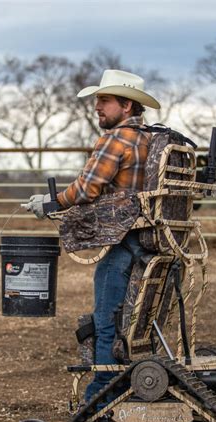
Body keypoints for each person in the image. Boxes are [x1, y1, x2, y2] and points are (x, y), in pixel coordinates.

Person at [27, 69, 161, 403]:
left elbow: (87, 188)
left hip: (123, 242)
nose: (97, 107)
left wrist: (51, 202)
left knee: (106, 321)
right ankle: (127, 387)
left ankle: (99, 399)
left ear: (126, 105)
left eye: (104, 100)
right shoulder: (151, 139)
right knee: (133, 320)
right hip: (150, 243)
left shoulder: (116, 139)